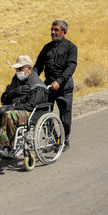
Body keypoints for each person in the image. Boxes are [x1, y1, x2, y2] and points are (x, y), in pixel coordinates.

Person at [32, 20, 77, 151]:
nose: (53, 32)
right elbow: (38, 66)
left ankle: (63, 140)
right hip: (48, 87)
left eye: (56, 30)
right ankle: (52, 139)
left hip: (64, 87)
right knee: (44, 114)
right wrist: (31, 79)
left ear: (64, 32)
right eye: (52, 30)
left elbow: (71, 66)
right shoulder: (46, 48)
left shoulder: (71, 47)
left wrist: (59, 81)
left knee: (65, 115)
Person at [0, 55, 48, 156]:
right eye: (16, 69)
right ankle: (6, 144)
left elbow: (30, 106)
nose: (18, 71)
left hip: (31, 113)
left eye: (20, 68)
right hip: (17, 109)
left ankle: (5, 147)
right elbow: (3, 99)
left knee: (9, 115)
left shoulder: (37, 85)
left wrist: (11, 107)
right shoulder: (16, 79)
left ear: (29, 68)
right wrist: (13, 93)